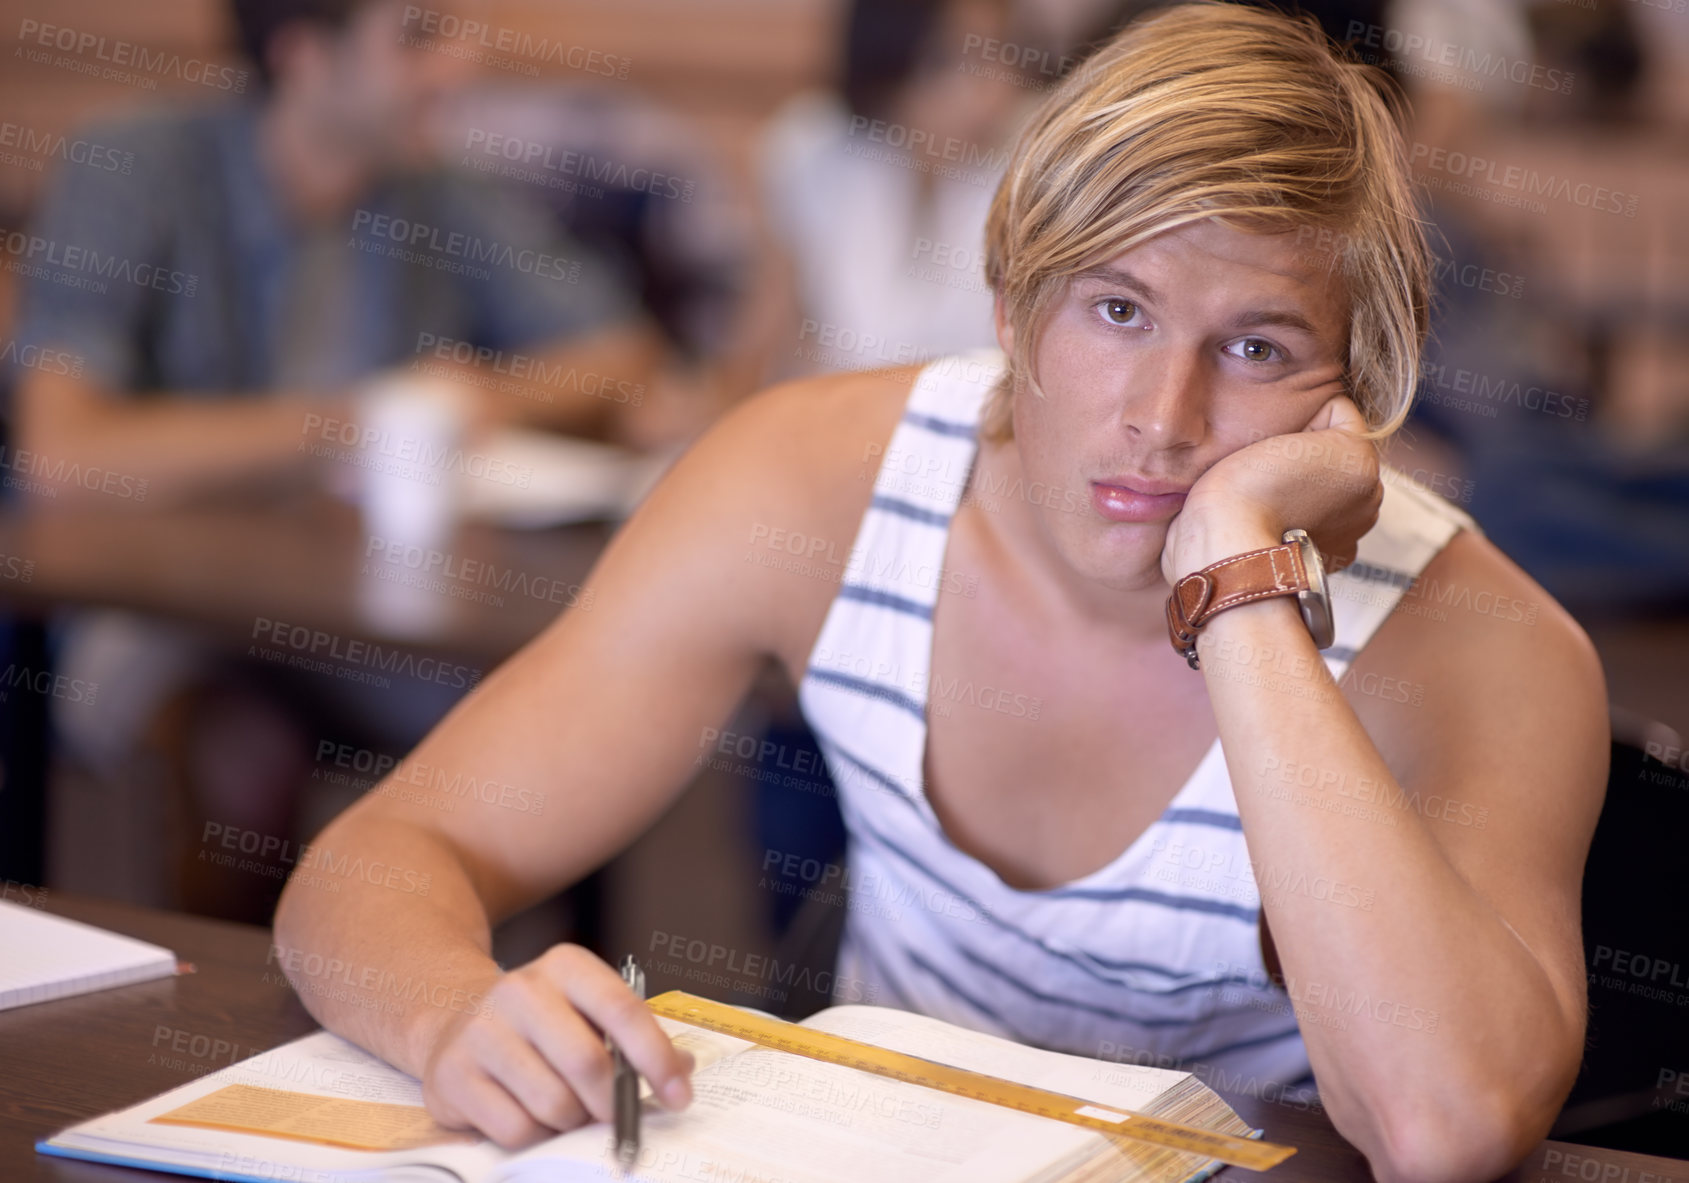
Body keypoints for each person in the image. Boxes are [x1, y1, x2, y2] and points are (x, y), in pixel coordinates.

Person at [274, 5, 1609, 1179]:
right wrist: (453, 1009)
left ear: (1353, 392)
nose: (1162, 415)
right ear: (1010, 303)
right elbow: (378, 860)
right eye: (1117, 309)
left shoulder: (1480, 648)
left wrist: (1241, 576)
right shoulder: (808, 484)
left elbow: (1445, 1129)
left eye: (1255, 345)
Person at [7, 0, 666, 917]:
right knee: (240, 757)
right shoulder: (134, 164)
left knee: (563, 730)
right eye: (417, 38)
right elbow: (66, 458)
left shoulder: (432, 185)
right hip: (155, 607)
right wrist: (356, 419)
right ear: (305, 54)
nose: (460, 64)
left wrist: (482, 394)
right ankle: (226, 1033)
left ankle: (504, 1014)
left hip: (367, 611)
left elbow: (620, 349)